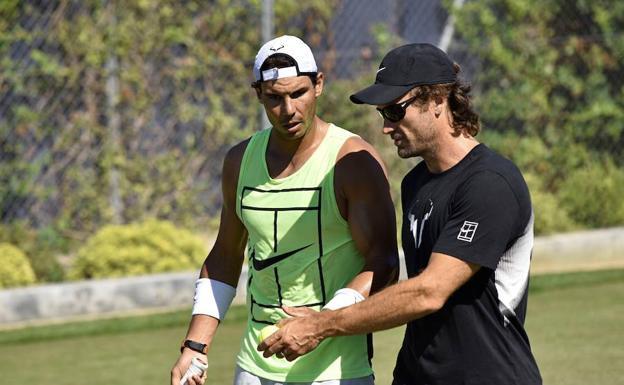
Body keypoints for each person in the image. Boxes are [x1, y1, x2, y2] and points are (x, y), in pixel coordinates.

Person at [258, 43, 543, 385]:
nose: (385, 127)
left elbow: (429, 291)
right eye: (382, 114)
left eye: (395, 111)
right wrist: (327, 313)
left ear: (438, 100)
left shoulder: (490, 183)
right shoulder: (415, 183)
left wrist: (321, 325)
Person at [170, 35, 399, 385]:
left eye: (298, 94)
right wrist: (195, 346)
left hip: (337, 373)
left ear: (318, 85)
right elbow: (225, 257)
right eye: (275, 98)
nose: (288, 110)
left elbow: (383, 263)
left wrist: (320, 325)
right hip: (254, 367)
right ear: (258, 94)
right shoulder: (239, 161)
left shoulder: (353, 162)